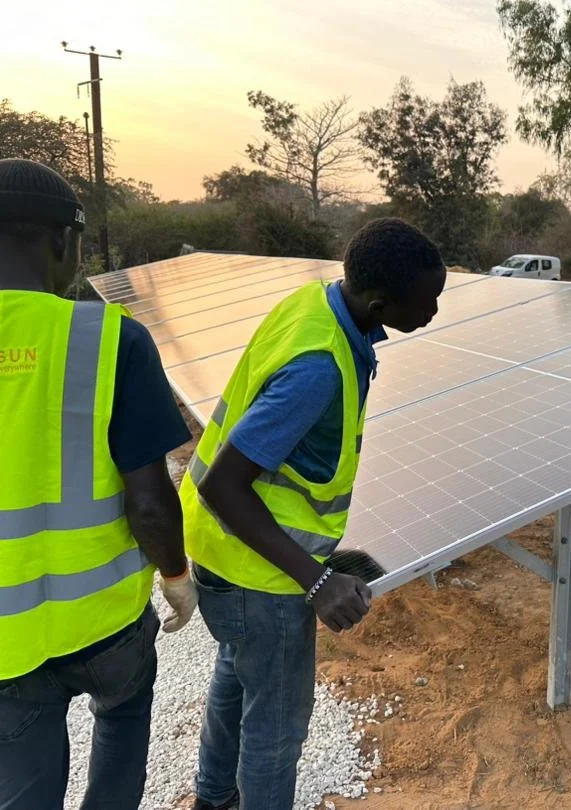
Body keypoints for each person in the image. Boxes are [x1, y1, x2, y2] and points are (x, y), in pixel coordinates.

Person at [181, 217, 447, 810]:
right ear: (381, 303)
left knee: (237, 677)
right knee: (275, 732)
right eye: (428, 301)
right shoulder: (317, 368)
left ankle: (212, 798)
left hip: (225, 558)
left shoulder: (319, 306)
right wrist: (318, 580)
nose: (435, 311)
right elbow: (225, 486)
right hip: (258, 575)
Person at [0, 158, 196, 808]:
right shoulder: (111, 341)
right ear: (62, 241)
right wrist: (176, 579)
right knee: (124, 716)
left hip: (2, 648)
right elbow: (151, 501)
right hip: (109, 628)